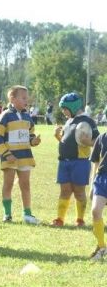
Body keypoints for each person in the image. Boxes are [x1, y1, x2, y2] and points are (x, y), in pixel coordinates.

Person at [0, 85, 41, 224]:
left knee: (25, 185)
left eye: (27, 98)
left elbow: (30, 135)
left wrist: (34, 141)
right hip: (10, 158)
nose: (27, 100)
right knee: (8, 185)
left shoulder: (27, 116)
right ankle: (7, 214)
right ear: (12, 99)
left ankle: (27, 214)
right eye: (24, 98)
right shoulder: (5, 116)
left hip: (25, 157)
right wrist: (6, 154)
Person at [51, 93, 99, 227]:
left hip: (80, 162)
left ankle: (80, 220)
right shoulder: (69, 121)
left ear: (73, 107)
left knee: (79, 191)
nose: (63, 111)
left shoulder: (87, 121)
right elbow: (66, 141)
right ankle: (60, 219)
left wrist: (88, 142)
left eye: (65, 108)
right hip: (64, 162)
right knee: (64, 190)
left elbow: (98, 141)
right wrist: (57, 136)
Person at [89, 130, 107, 260]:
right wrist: (91, 185)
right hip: (101, 179)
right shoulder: (102, 137)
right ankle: (101, 247)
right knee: (95, 211)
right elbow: (95, 162)